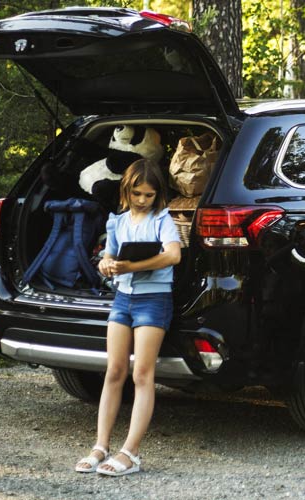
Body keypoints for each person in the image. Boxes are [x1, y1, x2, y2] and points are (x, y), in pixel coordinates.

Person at [74, 158, 183, 477]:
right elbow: (108, 256)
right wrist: (106, 264)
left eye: (149, 194)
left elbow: (174, 255)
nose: (142, 200)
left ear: (157, 194)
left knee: (143, 375)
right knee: (114, 371)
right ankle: (100, 446)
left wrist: (132, 266)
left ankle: (130, 453)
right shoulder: (117, 222)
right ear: (126, 190)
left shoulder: (163, 219)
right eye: (137, 193)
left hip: (154, 300)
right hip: (122, 299)